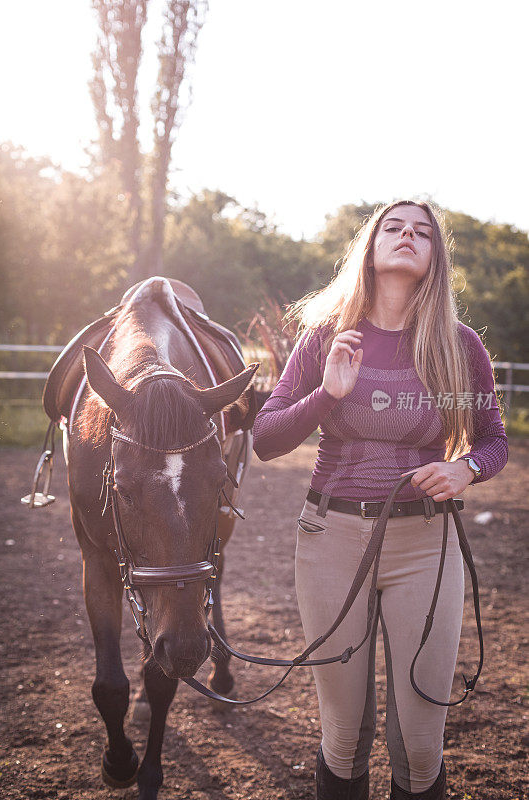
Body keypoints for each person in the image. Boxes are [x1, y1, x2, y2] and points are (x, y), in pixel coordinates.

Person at [252, 200, 508, 800]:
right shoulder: (325, 336)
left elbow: (493, 441)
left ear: (434, 258)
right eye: (393, 227)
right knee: (344, 737)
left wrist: (466, 468)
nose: (407, 236)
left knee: (420, 744)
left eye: (422, 232)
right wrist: (325, 394)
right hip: (330, 540)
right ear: (369, 246)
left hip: (426, 544)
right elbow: (265, 440)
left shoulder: (459, 345)